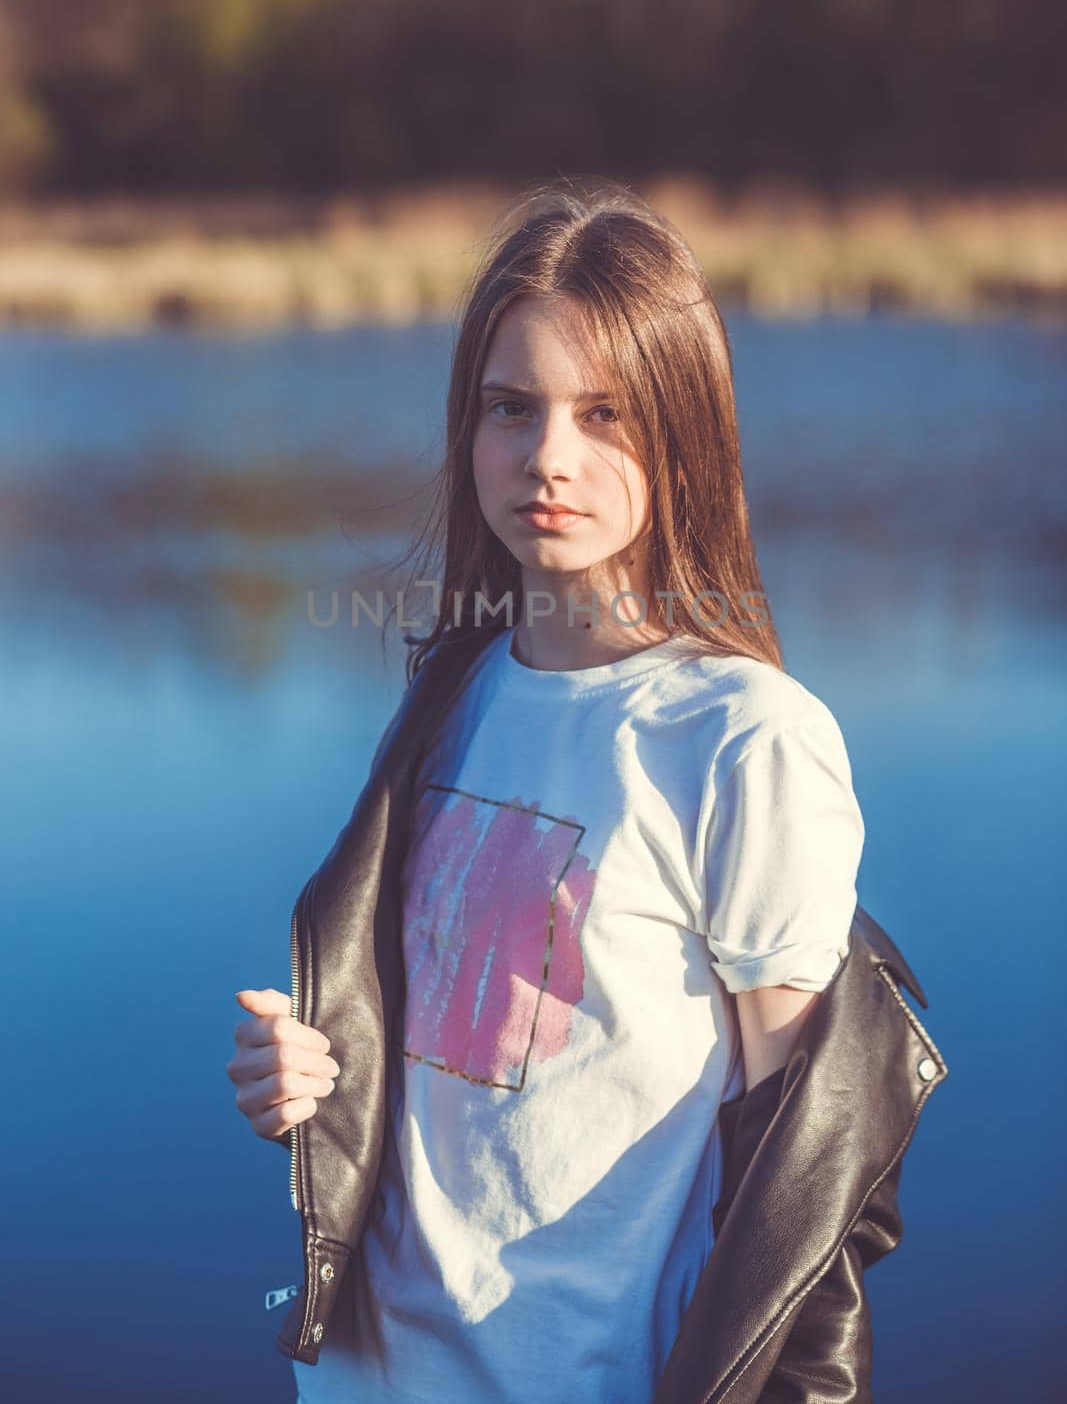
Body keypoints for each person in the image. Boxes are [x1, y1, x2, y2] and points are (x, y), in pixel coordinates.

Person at [227, 182, 875, 1403]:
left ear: (684, 433)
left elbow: (807, 1191)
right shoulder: (455, 691)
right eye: (509, 408)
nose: (547, 458)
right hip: (366, 1376)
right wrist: (313, 1076)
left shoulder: (743, 740)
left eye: (605, 414)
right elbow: (438, 1056)